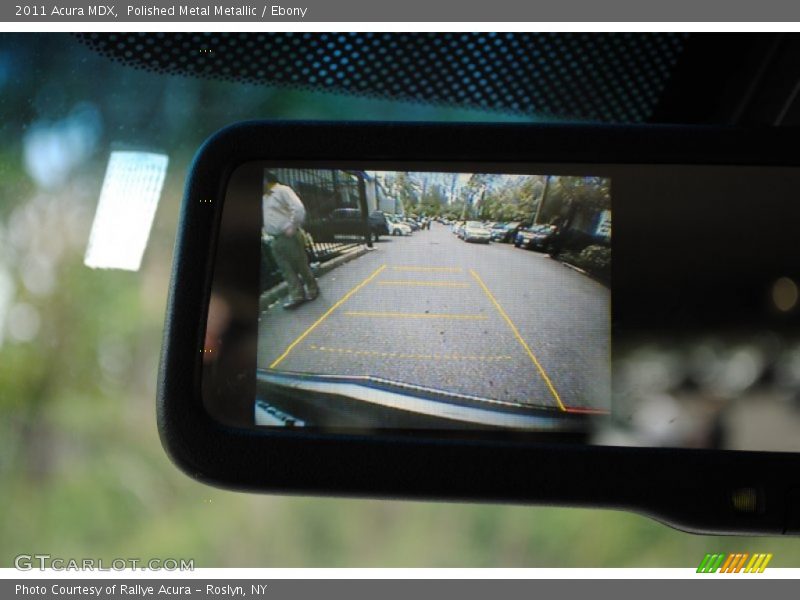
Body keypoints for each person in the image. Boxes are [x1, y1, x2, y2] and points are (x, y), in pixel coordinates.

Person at [262, 172, 320, 309]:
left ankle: (312, 289)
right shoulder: (264, 197)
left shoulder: (282, 190)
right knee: (286, 269)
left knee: (300, 265)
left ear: (265, 180)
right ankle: (297, 295)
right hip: (275, 238)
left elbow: (298, 208)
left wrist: (292, 226)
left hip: (288, 235)